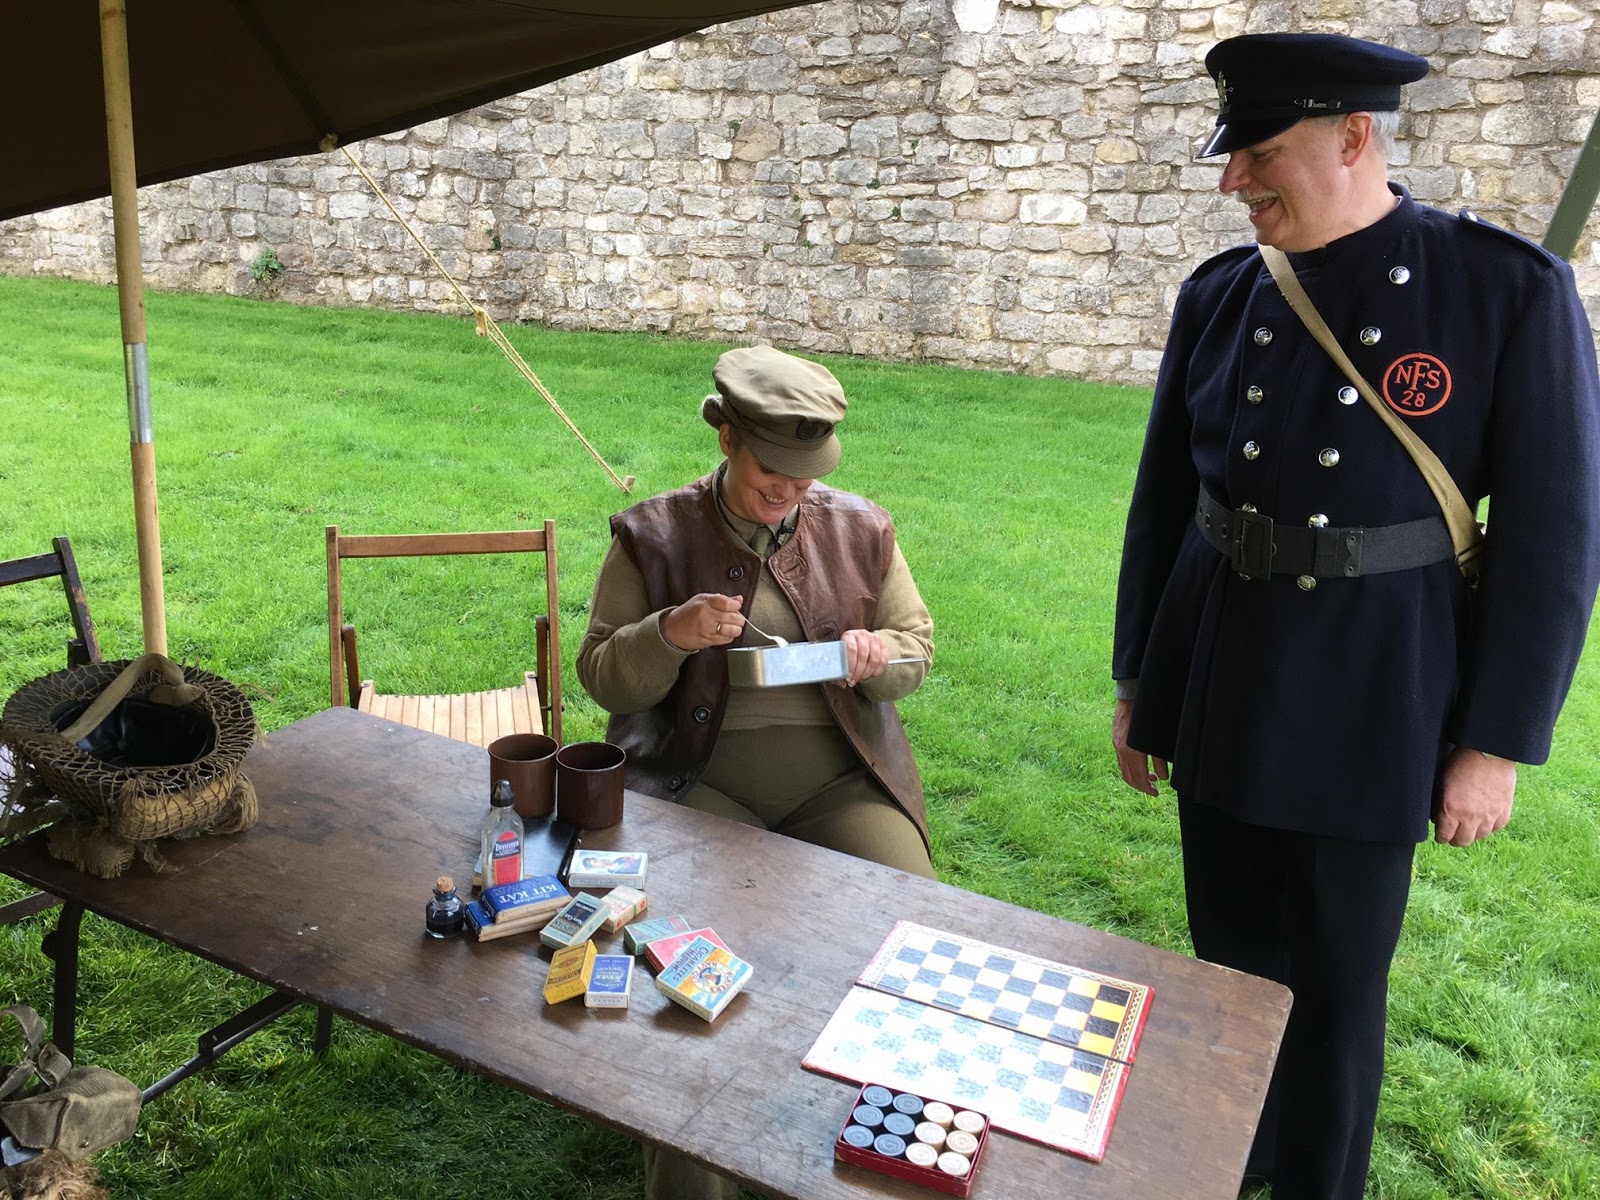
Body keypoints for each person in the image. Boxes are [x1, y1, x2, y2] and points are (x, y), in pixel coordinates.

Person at [1111, 32, 1600, 1200]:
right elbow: (1163, 501)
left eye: (1261, 153)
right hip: (1224, 678)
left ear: (1354, 136)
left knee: (1334, 992)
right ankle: (1234, 1166)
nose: (1235, 180)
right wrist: (1140, 683)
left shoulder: (1500, 290)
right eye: (1233, 156)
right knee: (1229, 971)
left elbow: (1551, 537)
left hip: (1375, 696)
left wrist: (1491, 744)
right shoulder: (1221, 294)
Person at [578, 343, 936, 1200]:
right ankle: (695, 1160)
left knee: (910, 939)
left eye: (805, 481)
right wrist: (668, 633)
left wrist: (875, 656)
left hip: (839, 782)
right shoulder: (653, 535)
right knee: (699, 971)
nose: (789, 495)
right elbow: (598, 674)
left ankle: (865, 1149)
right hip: (697, 786)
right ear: (727, 437)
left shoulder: (862, 528)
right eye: (773, 476)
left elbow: (915, 649)